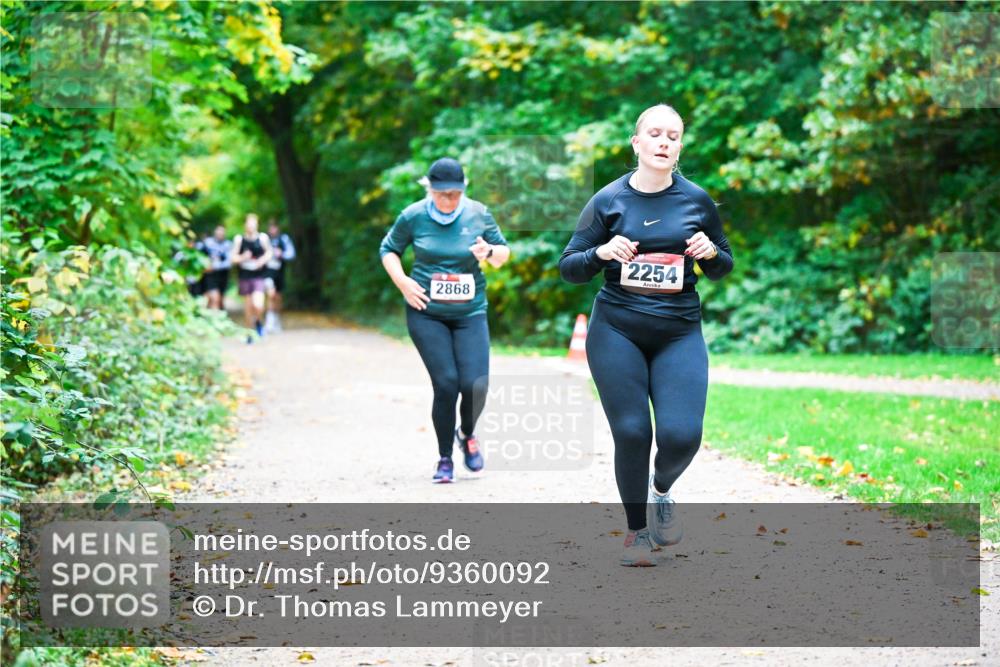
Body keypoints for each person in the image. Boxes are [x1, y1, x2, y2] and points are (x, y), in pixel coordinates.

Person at [559, 104, 734, 566]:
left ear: (679, 148)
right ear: (637, 143)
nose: (663, 142)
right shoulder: (607, 200)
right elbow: (570, 267)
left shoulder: (696, 201)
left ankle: (662, 489)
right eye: (655, 134)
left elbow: (723, 265)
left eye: (673, 136)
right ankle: (637, 533)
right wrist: (601, 252)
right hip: (617, 328)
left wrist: (710, 253)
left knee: (682, 435)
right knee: (633, 431)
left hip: (678, 332)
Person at [379, 158, 511, 483]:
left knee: (476, 385)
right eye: (442, 194)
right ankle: (445, 459)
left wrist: (489, 252)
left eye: (455, 194)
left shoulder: (478, 213)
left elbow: (503, 253)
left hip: (470, 312)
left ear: (464, 189)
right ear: (430, 189)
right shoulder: (413, 215)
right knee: (447, 383)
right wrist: (403, 282)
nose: (449, 200)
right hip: (427, 311)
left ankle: (466, 433)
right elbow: (389, 249)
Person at [230, 213, 273, 344]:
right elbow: (233, 258)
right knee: (248, 307)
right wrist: (243, 257)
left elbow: (269, 252)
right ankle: (250, 333)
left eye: (253, 223)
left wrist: (262, 260)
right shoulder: (239, 239)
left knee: (258, 305)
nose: (251, 226)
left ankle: (258, 322)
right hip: (245, 276)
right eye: (249, 223)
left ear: (257, 225)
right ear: (245, 225)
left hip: (259, 276)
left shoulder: (263, 238)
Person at [264, 219, 296, 333]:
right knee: (270, 294)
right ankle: (269, 322)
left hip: (280, 272)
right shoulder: (264, 239)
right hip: (268, 272)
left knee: (278, 297)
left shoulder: (284, 239)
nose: (272, 230)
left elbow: (292, 254)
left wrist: (281, 254)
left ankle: (276, 320)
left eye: (274, 227)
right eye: (271, 228)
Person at [201, 225, 233, 311]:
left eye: (222, 231)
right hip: (210, 275)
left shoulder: (228, 245)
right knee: (214, 298)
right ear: (215, 232)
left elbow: (229, 262)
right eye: (218, 231)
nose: (220, 233)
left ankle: (216, 316)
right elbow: (200, 256)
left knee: (220, 301)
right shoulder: (207, 243)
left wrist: (215, 266)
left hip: (223, 275)